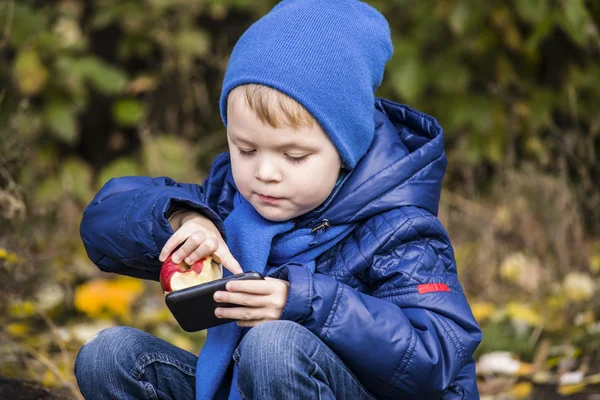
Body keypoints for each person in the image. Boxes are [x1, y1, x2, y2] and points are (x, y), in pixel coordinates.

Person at [74, 0, 482, 399]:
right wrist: (183, 218)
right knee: (108, 356)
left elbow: (435, 356)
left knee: (273, 345)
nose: (265, 172)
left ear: (346, 151)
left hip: (338, 385)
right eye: (246, 150)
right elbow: (102, 224)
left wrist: (306, 303)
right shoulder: (230, 202)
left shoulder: (398, 230)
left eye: (294, 156)